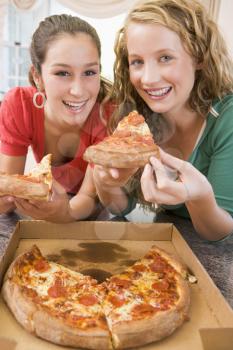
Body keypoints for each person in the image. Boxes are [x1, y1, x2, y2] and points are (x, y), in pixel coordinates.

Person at [92, 0, 233, 241]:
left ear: (199, 57)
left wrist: (198, 197)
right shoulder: (138, 120)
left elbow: (222, 233)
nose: (148, 79)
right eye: (137, 61)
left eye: (166, 57)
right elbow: (121, 208)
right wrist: (106, 184)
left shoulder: (226, 118)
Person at [0, 14, 114, 222]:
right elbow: (9, 194)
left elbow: (89, 198)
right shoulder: (20, 105)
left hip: (97, 215)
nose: (78, 91)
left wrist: (65, 213)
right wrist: (7, 199)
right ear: (37, 77)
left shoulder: (109, 114)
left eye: (89, 72)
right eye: (62, 73)